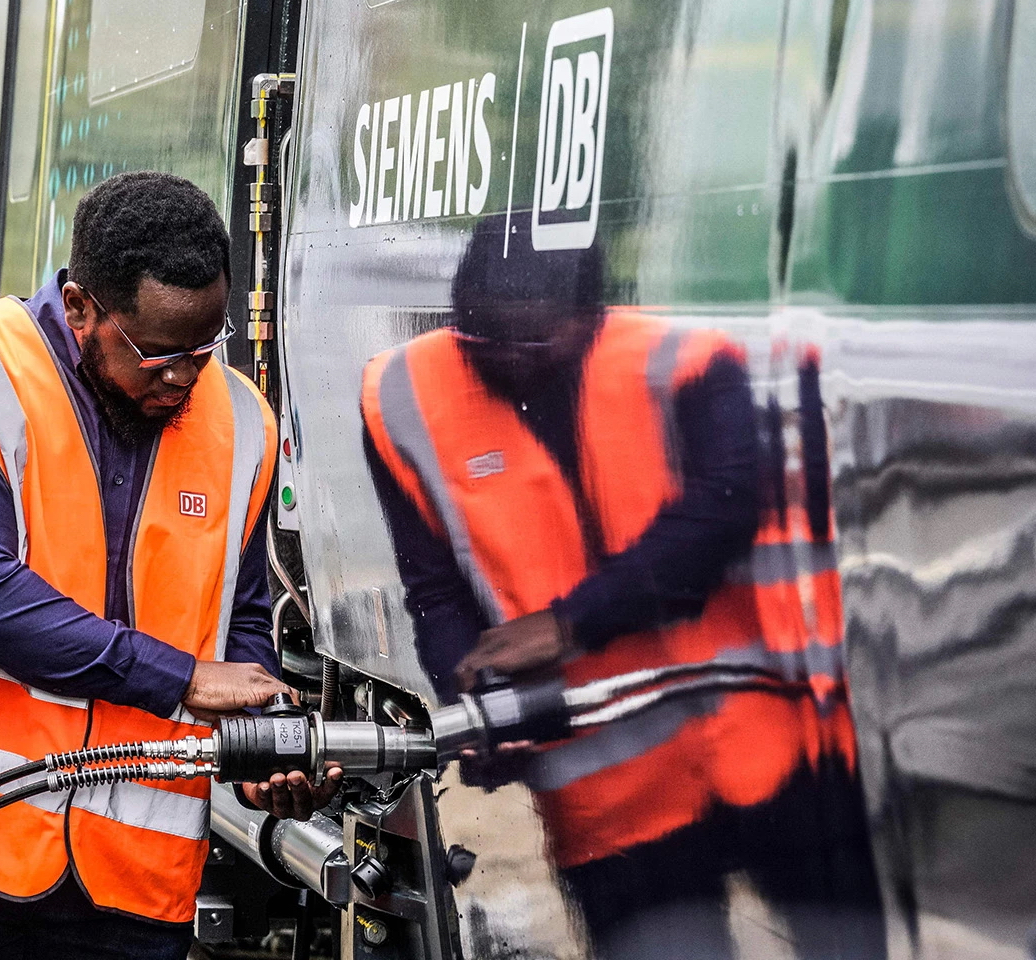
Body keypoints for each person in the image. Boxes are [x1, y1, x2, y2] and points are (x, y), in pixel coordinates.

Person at [360, 215, 883, 959]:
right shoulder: (404, 398)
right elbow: (435, 591)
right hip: (612, 800)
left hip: (775, 751)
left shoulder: (685, 364)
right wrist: (471, 703)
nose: (506, 358)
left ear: (589, 318)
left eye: (532, 340)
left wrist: (571, 623)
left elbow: (725, 509)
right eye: (483, 341)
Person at [0, 172, 340, 960]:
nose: (181, 377)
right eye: (155, 352)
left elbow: (239, 617)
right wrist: (181, 679)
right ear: (81, 308)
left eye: (203, 348)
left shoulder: (242, 419)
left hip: (134, 883)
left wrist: (261, 745)